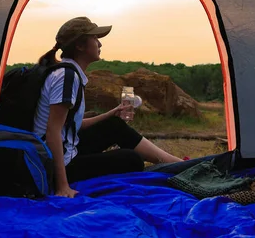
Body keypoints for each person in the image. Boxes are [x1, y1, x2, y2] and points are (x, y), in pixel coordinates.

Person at [33, 16, 183, 198]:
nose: (99, 44)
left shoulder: (67, 72)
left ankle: (177, 164)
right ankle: (180, 167)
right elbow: (52, 132)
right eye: (95, 39)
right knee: (132, 160)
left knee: (114, 124)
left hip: (65, 149)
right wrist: (62, 186)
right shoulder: (67, 77)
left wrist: (113, 113)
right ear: (80, 46)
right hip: (56, 163)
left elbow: (72, 126)